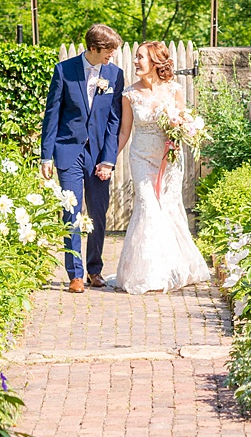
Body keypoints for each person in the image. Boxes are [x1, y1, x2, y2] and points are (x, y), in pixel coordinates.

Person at [114, 40, 210, 294]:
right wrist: (109, 159)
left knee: (168, 209)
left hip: (169, 163)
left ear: (155, 62)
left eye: (140, 57)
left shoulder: (174, 90)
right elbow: (124, 132)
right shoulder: (129, 94)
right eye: (135, 57)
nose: (136, 61)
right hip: (141, 160)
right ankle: (149, 274)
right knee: (147, 209)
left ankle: (173, 268)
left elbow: (182, 124)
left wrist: (178, 140)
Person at [40, 24, 125, 293]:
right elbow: (52, 114)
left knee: (99, 212)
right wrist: (46, 156)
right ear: (93, 48)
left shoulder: (114, 75)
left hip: (99, 154)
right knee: (71, 213)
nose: (111, 56)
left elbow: (114, 121)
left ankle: (94, 270)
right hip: (68, 151)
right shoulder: (64, 70)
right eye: (108, 51)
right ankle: (74, 275)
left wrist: (108, 159)